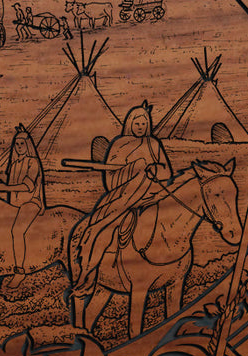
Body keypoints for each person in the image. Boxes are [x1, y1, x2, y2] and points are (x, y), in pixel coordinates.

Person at [71, 101, 173, 291]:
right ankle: (91, 269)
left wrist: (154, 169)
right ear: (130, 123)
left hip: (152, 194)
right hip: (125, 196)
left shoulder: (153, 143)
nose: (140, 127)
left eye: (144, 123)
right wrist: (135, 169)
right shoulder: (119, 144)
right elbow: (110, 178)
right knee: (105, 226)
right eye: (137, 123)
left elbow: (167, 172)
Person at [0, 125, 45, 274]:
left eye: (22, 143)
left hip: (31, 202)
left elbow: (28, 186)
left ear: (28, 145)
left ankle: (20, 270)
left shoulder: (32, 162)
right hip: (15, 205)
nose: (19, 147)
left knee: (17, 231)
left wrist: (4, 188)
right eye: (17, 144)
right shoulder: (14, 164)